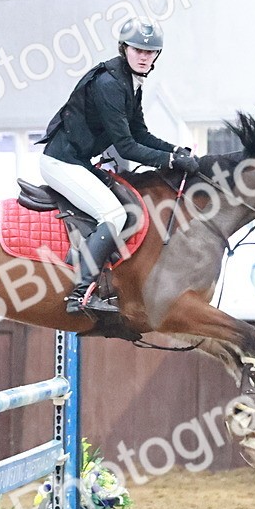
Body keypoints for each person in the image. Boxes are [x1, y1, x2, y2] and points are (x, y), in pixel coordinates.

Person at [37, 17, 199, 314]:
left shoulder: (128, 82)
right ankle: (80, 294)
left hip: (78, 161)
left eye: (149, 52)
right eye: (137, 49)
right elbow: (125, 147)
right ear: (124, 49)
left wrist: (174, 149)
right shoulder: (110, 84)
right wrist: (171, 160)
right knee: (113, 214)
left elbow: (140, 134)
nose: (143, 56)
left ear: (156, 56)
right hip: (60, 163)